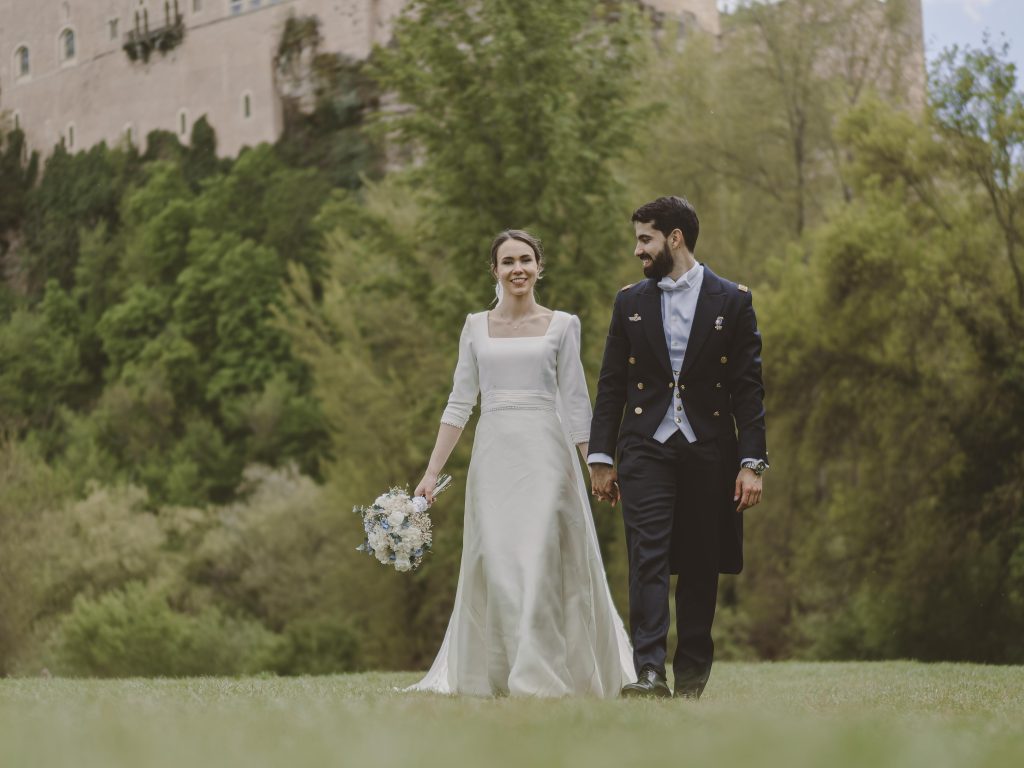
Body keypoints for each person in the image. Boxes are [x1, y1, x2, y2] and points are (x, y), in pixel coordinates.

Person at [409, 230, 634, 698]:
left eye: (526, 260)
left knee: (539, 559)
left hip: (547, 455)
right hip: (494, 456)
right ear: (494, 270)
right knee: (497, 562)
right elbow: (458, 403)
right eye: (508, 261)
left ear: (539, 267)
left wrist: (596, 464)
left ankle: (539, 678)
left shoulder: (562, 325)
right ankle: (499, 670)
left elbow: (575, 402)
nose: (518, 268)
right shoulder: (474, 327)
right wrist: (431, 473)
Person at [588, 196, 768, 700]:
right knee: (646, 557)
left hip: (710, 448)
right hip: (645, 446)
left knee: (700, 562)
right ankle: (648, 672)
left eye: (644, 238)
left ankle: (690, 680)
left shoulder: (732, 300)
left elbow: (748, 388)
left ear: (675, 238)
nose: (637, 250)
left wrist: (752, 463)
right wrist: (601, 457)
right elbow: (610, 387)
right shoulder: (630, 302)